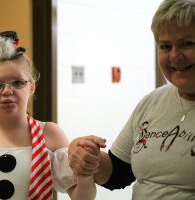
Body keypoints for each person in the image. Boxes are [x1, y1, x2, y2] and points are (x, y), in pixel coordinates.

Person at [0, 31, 98, 200]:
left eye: (18, 83)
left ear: (31, 87)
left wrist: (85, 175)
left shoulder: (49, 134)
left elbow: (81, 197)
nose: (7, 91)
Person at [68, 0, 195, 199]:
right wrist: (86, 154)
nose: (175, 56)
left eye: (187, 43)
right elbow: (118, 173)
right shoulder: (153, 101)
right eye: (165, 46)